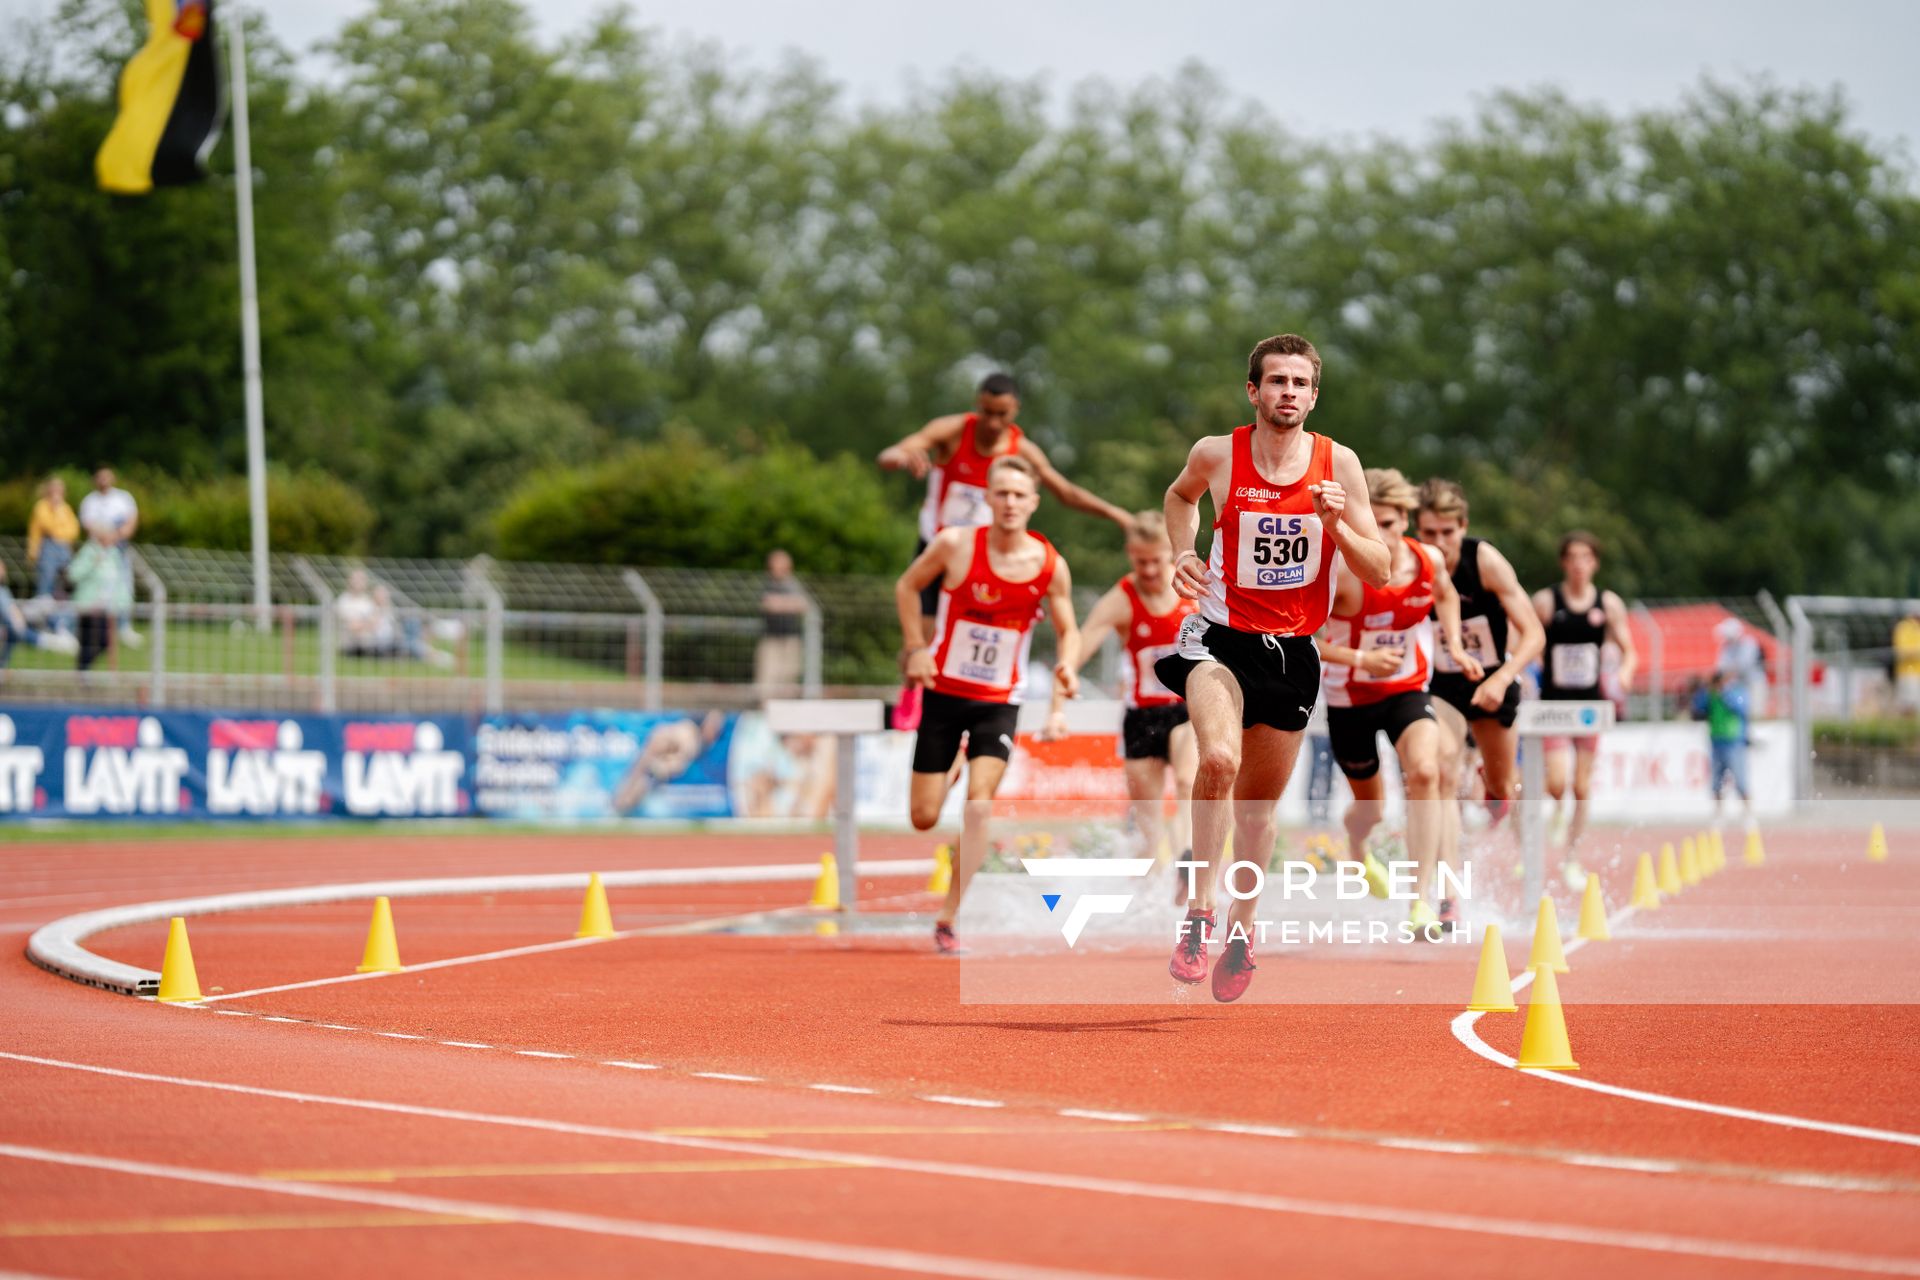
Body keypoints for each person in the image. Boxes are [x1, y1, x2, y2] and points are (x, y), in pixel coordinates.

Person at [1155, 333, 1391, 1001]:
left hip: (1293, 653)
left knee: (1258, 813)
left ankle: (1241, 928)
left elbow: (1382, 569)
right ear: (1253, 391)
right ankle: (1199, 913)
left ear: (1315, 396)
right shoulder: (1216, 454)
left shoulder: (1339, 464)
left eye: (1300, 383)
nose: (1288, 392)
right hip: (1218, 638)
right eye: (1276, 381)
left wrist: (1339, 526)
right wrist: (1183, 550)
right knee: (1219, 761)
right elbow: (1179, 499)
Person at [896, 455, 1080, 954]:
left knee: (979, 807)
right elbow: (908, 586)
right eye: (1001, 493)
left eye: (1020, 495)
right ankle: (953, 761)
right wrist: (916, 648)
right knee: (923, 816)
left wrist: (1066, 673)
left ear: (1034, 503)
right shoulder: (955, 545)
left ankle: (949, 916)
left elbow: (1069, 631)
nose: (1010, 503)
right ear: (988, 498)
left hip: (998, 701)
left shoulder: (1048, 564)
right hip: (944, 692)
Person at [878, 373, 1127, 729]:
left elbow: (1066, 492)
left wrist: (1116, 514)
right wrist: (903, 456)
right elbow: (892, 453)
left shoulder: (1021, 450)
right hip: (940, 546)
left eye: (1002, 414)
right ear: (977, 405)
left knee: (982, 627)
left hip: (986, 552)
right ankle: (913, 690)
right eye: (987, 412)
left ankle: (974, 703)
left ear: (1016, 411)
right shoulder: (951, 431)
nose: (993, 423)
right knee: (926, 631)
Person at [1318, 468, 1479, 936]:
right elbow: (1303, 635)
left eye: (1388, 523)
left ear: (1404, 520)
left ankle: (1421, 901)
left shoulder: (1427, 559)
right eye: (1372, 521)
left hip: (1407, 690)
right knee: (1371, 810)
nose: (1380, 533)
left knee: (1427, 772)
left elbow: (1444, 595)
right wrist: (1361, 657)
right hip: (1350, 698)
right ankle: (1356, 846)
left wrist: (1455, 644)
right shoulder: (1345, 573)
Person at [1048, 511, 1199, 887]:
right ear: (1130, 554)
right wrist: (1056, 709)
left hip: (1187, 710)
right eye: (1140, 560)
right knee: (1148, 824)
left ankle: (1188, 858)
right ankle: (1149, 892)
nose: (1148, 569)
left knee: (1186, 781)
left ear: (1170, 552)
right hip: (1142, 717)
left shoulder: (1193, 588)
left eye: (1156, 560)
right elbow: (1074, 653)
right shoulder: (1121, 599)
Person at [1414, 477, 1545, 895]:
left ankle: (1493, 779)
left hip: (1492, 682)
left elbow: (1534, 634)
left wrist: (1503, 678)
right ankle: (1449, 895)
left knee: (1503, 788)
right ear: (1418, 530)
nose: (1439, 541)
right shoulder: (1410, 562)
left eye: (1447, 532)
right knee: (1443, 773)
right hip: (1440, 686)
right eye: (1429, 533)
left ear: (1463, 526)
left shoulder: (1484, 560)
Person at [1533, 531, 1637, 879]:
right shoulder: (1548, 601)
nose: (1579, 564)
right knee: (1558, 781)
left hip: (1590, 704)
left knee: (1581, 785)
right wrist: (1536, 661)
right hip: (1553, 704)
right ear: (1564, 562)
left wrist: (1624, 671)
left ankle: (1572, 858)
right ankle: (1557, 811)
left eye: (1585, 557)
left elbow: (1629, 649)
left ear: (1595, 562)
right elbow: (1526, 638)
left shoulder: (1607, 604)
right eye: (1572, 557)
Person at [77, 467, 140, 645]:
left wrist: (114, 536)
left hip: (119, 549)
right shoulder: (89, 501)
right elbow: (89, 525)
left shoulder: (123, 498)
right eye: (100, 477)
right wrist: (106, 537)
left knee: (124, 588)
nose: (103, 480)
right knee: (93, 589)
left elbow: (131, 522)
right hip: (96, 553)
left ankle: (124, 627)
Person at [64, 530, 133, 671]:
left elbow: (119, 580)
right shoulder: (89, 552)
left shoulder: (114, 554)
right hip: (88, 606)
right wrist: (92, 563)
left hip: (107, 607)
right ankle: (82, 673)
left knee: (104, 642)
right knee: (87, 641)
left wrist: (124, 602)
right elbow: (73, 575)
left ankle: (83, 669)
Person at [1692, 670, 1753, 826]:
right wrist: (1705, 689)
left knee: (1740, 779)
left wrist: (1724, 693)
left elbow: (1741, 708)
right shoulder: (1710, 695)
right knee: (1716, 780)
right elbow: (1698, 707)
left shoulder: (1737, 692)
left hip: (1734, 741)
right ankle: (1719, 814)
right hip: (1716, 741)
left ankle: (1747, 813)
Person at [0, 560, 79, 669]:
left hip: (18, 621)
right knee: (16, 629)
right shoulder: (2, 592)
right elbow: (8, 611)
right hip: (11, 625)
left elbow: (11, 609)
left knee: (45, 611)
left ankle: (2, 666)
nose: (3, 571)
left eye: (3, 568)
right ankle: (52, 641)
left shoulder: (4, 590)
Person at [26, 476, 79, 632]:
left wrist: (61, 533)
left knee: (63, 588)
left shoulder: (66, 508)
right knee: (45, 588)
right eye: (54, 489)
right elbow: (47, 526)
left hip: (64, 549)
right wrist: (55, 511)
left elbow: (74, 530)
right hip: (47, 549)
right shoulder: (42, 506)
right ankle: (41, 625)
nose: (57, 492)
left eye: (60, 489)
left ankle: (60, 624)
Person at [755, 549, 808, 703]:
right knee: (767, 680)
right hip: (771, 639)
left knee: (789, 680)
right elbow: (768, 604)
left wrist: (780, 603)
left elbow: (803, 605)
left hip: (791, 638)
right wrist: (789, 603)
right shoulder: (766, 584)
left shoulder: (794, 584)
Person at [1897, 610, 1920, 717]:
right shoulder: (1904, 627)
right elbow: (1902, 651)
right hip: (1909, 672)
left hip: (1915, 672)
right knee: (1908, 705)